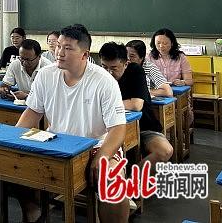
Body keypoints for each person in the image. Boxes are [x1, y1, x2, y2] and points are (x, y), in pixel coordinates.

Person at [15, 24, 128, 223]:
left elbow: (118, 129)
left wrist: (102, 157)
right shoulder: (46, 75)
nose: (59, 52)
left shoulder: (104, 81)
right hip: (55, 142)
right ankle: (33, 211)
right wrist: (11, 141)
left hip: (96, 145)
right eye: (58, 46)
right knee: (11, 162)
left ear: (84, 54)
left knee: (111, 177)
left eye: (68, 48)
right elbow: (32, 113)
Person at [99, 42, 173, 169]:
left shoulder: (135, 71)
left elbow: (136, 105)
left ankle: (134, 179)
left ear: (125, 64)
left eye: (114, 68)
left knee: (165, 151)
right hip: (108, 130)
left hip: (143, 127)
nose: (108, 73)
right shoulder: (99, 75)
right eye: (104, 67)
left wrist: (107, 105)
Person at [147, 27, 194, 125]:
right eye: (158, 43)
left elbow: (190, 81)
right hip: (157, 92)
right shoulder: (149, 57)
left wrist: (183, 82)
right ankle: (159, 131)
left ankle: (177, 131)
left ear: (172, 43)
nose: (161, 46)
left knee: (178, 113)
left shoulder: (181, 57)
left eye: (165, 43)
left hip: (177, 94)